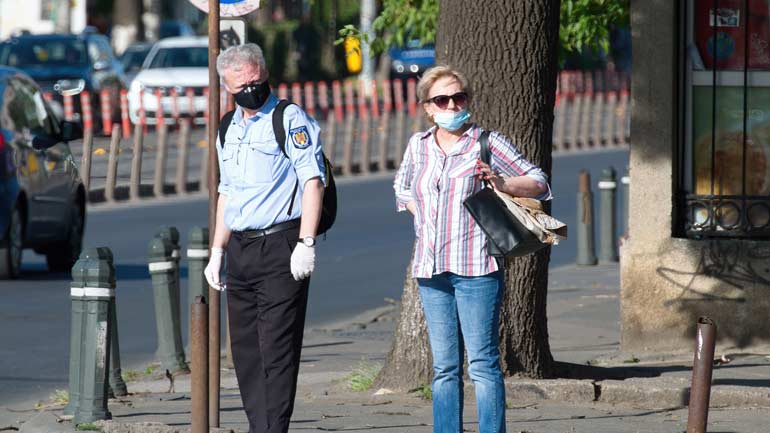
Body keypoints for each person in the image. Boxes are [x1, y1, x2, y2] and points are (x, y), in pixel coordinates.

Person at [393, 65, 552, 433]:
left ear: (468, 101)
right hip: (430, 271)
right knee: (444, 367)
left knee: (482, 364)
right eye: (442, 100)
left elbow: (539, 182)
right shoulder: (418, 146)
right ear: (428, 107)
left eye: (459, 97)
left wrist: (503, 182)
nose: (452, 105)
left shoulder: (487, 143)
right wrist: (420, 212)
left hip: (476, 269)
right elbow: (402, 187)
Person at [203, 43, 326, 433]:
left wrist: (306, 243)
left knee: (276, 347)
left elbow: (312, 179)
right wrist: (217, 250)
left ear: (265, 74)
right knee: (245, 352)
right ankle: (260, 425)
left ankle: (273, 429)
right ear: (227, 87)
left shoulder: (288, 118)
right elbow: (228, 191)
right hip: (240, 247)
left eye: (256, 80)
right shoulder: (228, 126)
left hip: (281, 245)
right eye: (241, 85)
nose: (250, 89)